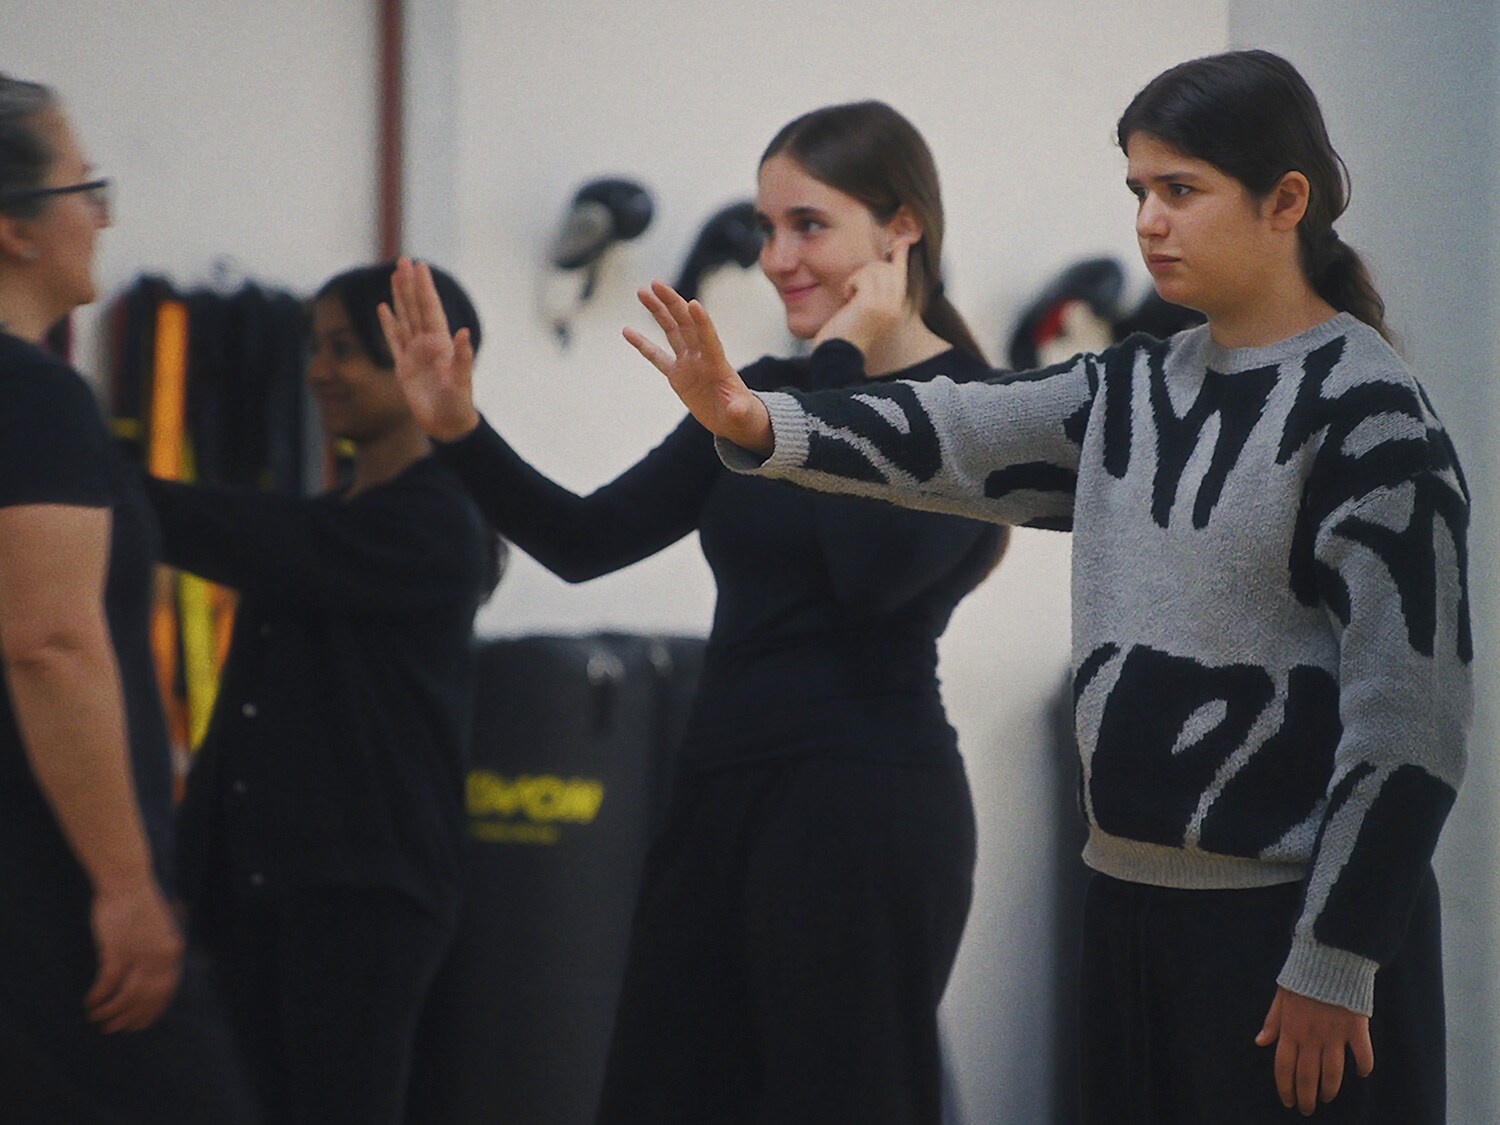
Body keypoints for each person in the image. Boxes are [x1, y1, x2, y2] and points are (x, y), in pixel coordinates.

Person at [628, 50, 1470, 1125]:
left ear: (1285, 202)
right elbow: (955, 429)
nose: (1149, 223)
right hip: (1126, 911)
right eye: (1138, 192)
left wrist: (1336, 958)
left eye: (1181, 190)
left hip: (1290, 942)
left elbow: (1413, 718)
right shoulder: (1130, 387)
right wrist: (757, 424)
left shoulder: (1373, 416)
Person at [380, 101, 1007, 1124]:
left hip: (860, 809)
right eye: (765, 228)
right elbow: (585, 543)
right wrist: (458, 430)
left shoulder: (976, 410)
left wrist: (839, 368)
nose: (774, 258)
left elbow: (869, 572)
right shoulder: (754, 396)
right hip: (718, 791)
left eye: (807, 225)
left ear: (901, 232)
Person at [142, 262, 499, 1125]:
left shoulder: (441, 519)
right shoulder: (332, 512)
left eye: (345, 349)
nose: (318, 371)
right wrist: (188, 870)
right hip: (260, 892)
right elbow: (247, 711)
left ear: (421, 358)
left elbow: (270, 541)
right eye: (316, 347)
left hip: (363, 901)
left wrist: (103, 485)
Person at [0, 75, 257, 1122]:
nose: (103, 215)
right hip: (49, 889)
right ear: (14, 227)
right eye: (85, 187)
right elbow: (50, 643)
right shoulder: (33, 397)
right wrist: (124, 886)